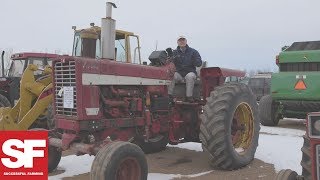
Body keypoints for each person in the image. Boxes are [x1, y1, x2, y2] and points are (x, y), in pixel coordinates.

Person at [168, 36, 202, 102]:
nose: (182, 42)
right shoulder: (174, 52)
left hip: (190, 72)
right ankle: (169, 95)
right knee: (172, 75)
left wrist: (194, 60)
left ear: (186, 41)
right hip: (179, 73)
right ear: (177, 42)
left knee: (190, 76)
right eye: (180, 40)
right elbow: (170, 63)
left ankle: (189, 96)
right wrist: (170, 58)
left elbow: (199, 63)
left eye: (183, 40)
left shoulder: (193, 52)